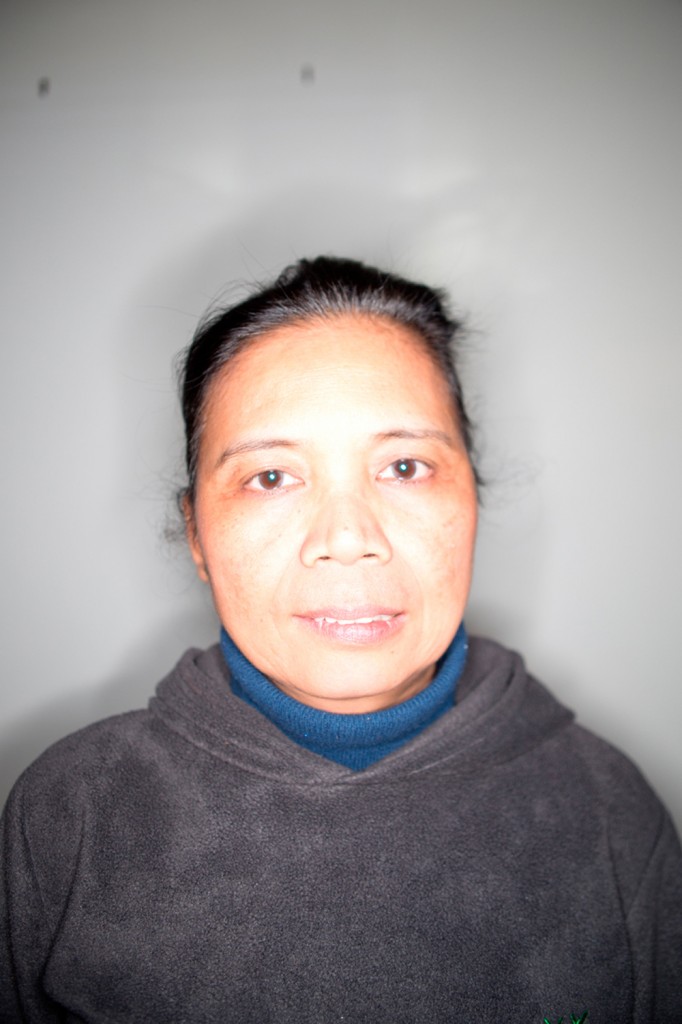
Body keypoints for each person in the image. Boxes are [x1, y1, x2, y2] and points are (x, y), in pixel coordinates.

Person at [1, 256, 680, 1023]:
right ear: (196, 534)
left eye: (404, 466)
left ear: (473, 499)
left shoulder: (609, 812)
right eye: (271, 478)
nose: (349, 538)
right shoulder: (70, 815)